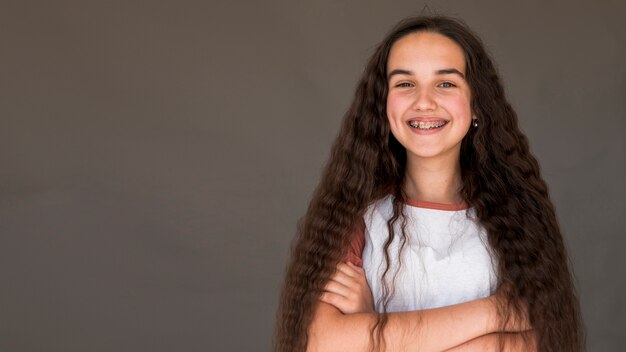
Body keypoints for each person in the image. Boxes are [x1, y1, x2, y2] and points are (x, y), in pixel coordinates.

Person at [274, 15, 584, 352]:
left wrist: (371, 328)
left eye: (446, 83)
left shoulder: (517, 219)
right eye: (405, 83)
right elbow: (323, 343)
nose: (424, 101)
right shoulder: (353, 217)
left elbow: (534, 344)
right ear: (383, 104)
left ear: (477, 104)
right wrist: (496, 313)